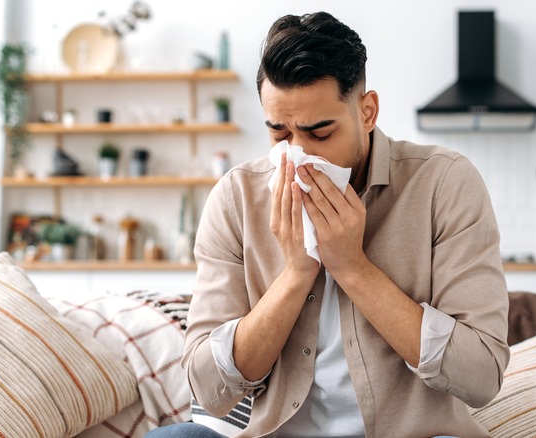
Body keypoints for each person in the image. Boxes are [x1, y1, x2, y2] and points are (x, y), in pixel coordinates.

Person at [149, 11, 509, 438]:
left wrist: (353, 267)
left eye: (320, 133)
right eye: (279, 135)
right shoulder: (236, 197)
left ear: (368, 112)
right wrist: (297, 272)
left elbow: (482, 377)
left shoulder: (443, 182)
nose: (299, 156)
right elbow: (209, 390)